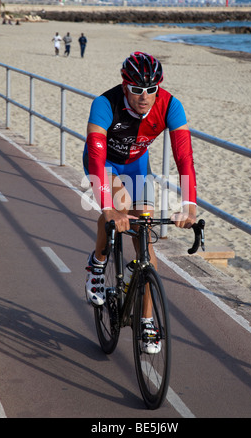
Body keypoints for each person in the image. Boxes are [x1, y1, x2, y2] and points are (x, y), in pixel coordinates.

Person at [83, 51, 197, 353]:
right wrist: (108, 209)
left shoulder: (171, 105)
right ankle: (97, 263)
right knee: (118, 210)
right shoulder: (105, 105)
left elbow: (183, 156)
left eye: (151, 90)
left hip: (137, 165)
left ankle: (147, 321)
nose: (144, 97)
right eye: (136, 90)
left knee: (144, 240)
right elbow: (95, 158)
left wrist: (190, 204)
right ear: (125, 86)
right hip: (105, 165)